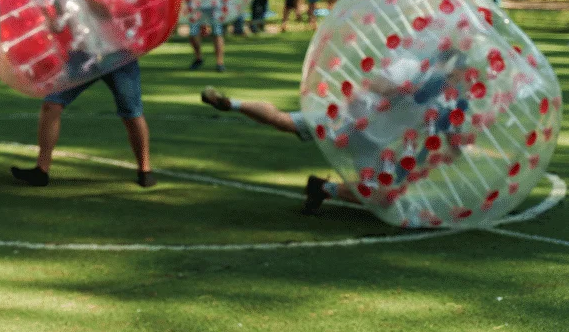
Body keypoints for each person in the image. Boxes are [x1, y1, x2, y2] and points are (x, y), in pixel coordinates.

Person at [199, 48, 469, 215]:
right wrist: (407, 89)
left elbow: (451, 143)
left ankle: (323, 188)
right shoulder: (412, 68)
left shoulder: (448, 104)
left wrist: (457, 143)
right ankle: (230, 103)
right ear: (446, 66)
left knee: (381, 199)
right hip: (350, 118)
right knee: (285, 122)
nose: (460, 79)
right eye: (458, 73)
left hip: (373, 143)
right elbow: (376, 83)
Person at [12, 0, 156, 188]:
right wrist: (44, 11)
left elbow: (110, 11)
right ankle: (41, 169)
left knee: (131, 111)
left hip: (117, 51)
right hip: (83, 53)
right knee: (52, 105)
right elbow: (59, 25)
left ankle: (145, 168)